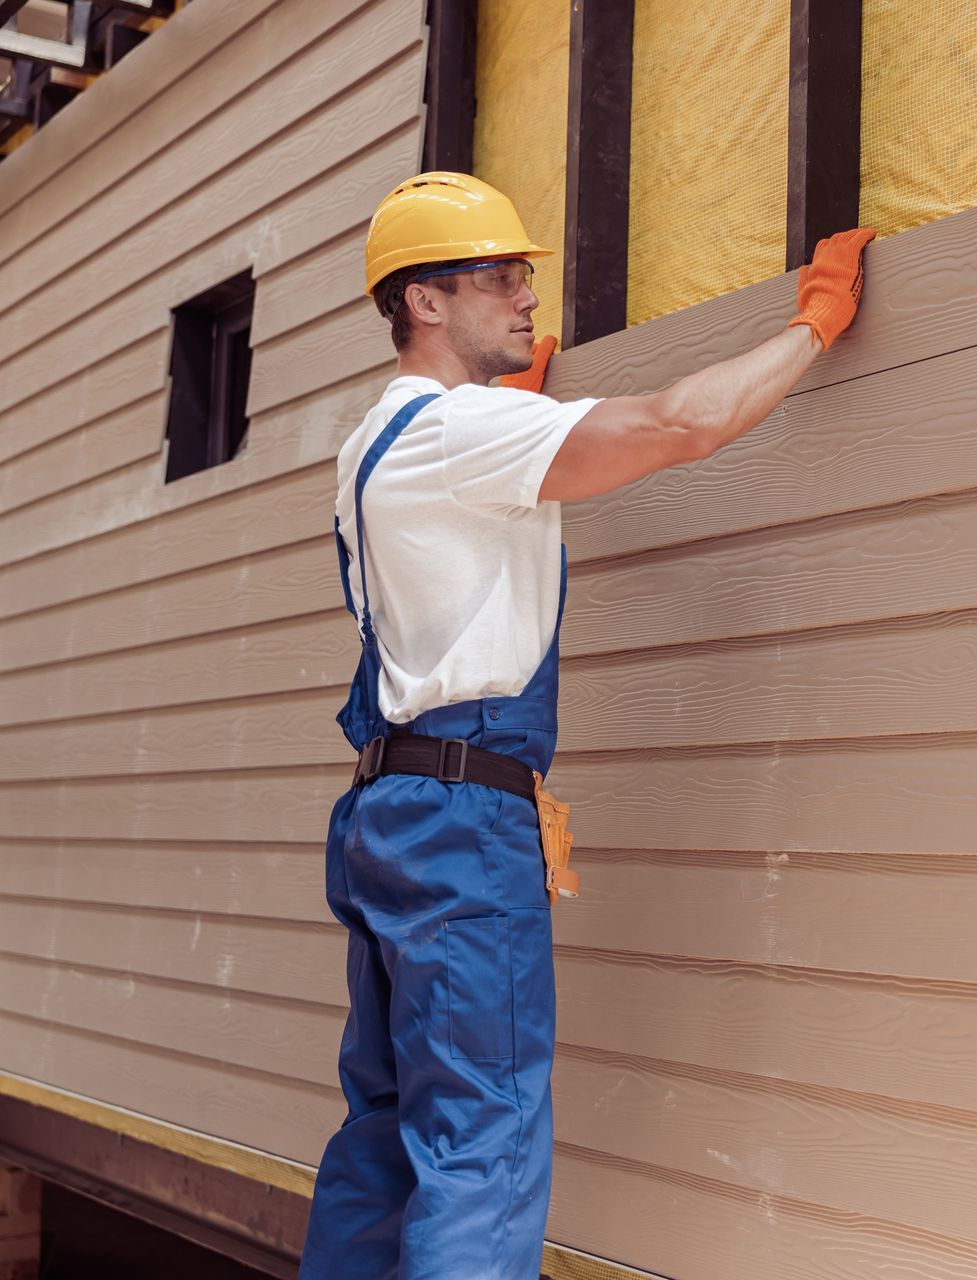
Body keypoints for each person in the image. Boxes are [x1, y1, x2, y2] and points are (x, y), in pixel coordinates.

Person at [296, 170, 874, 1279]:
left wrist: (523, 411)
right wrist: (810, 323)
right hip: (464, 821)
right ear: (424, 301)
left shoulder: (377, 439)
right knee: (483, 1136)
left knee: (387, 1126)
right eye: (499, 274)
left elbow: (468, 524)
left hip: (388, 809)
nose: (524, 293)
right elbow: (679, 424)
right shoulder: (461, 431)